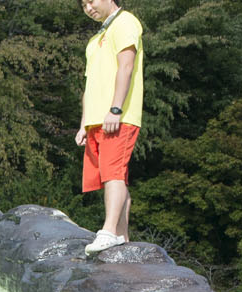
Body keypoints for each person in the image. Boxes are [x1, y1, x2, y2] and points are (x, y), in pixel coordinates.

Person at [75, 0, 144, 256]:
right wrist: (84, 124)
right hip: (96, 120)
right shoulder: (95, 39)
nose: (88, 8)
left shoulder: (125, 22)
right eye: (83, 5)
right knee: (114, 176)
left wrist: (116, 108)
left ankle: (109, 231)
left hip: (118, 116)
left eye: (91, 1)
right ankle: (122, 237)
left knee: (112, 173)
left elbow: (126, 66)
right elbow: (89, 85)